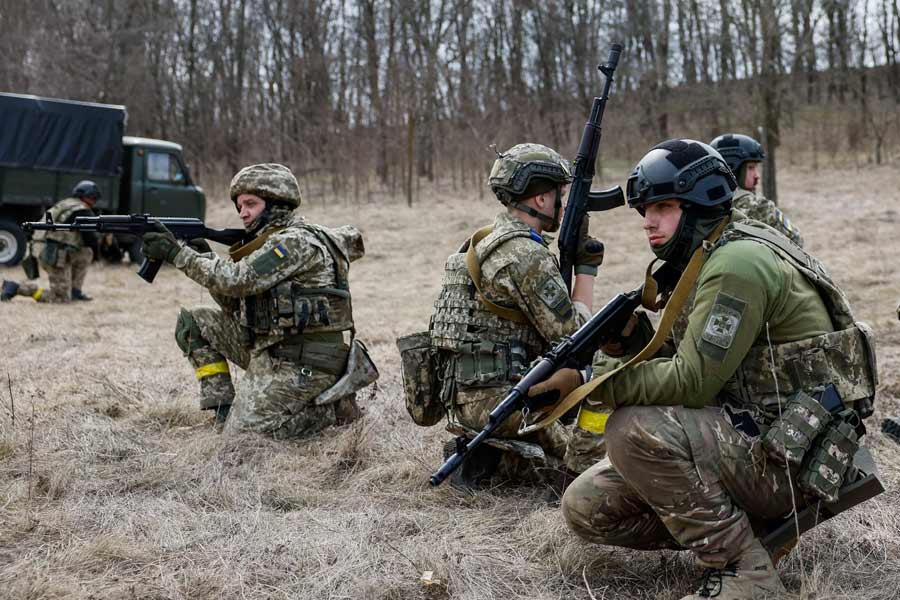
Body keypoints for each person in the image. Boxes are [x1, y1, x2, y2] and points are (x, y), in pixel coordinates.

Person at [529, 140, 877, 599]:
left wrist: (593, 386)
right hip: (757, 435)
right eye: (645, 210)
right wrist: (631, 342)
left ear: (699, 203)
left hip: (790, 462)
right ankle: (747, 532)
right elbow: (682, 355)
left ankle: (744, 569)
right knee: (587, 506)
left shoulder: (737, 264)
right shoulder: (707, 253)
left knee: (631, 430)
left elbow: (692, 382)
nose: (649, 221)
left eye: (664, 207)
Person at [140, 163, 376, 437]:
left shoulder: (295, 242)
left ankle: (325, 411)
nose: (243, 213)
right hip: (274, 349)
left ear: (277, 204)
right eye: (239, 206)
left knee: (244, 439)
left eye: (251, 204)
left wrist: (179, 255)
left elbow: (240, 279)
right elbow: (239, 303)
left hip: (308, 363)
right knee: (194, 322)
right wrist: (203, 259)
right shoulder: (269, 241)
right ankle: (223, 410)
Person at [425, 143, 603, 486]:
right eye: (560, 195)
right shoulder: (524, 254)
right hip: (508, 402)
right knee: (598, 456)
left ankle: (497, 455)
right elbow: (576, 339)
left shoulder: (482, 241)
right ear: (540, 199)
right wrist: (586, 269)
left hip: (467, 400)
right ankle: (506, 462)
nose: (564, 205)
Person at [1, 180, 100, 303]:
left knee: (85, 252)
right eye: (93, 198)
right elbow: (91, 239)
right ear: (88, 197)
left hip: (45, 247)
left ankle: (75, 291)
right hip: (53, 252)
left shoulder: (67, 204)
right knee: (61, 299)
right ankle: (17, 288)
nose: (94, 201)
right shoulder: (82, 210)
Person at [710, 133, 803, 246]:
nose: (756, 175)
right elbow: (796, 240)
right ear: (732, 169)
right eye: (751, 168)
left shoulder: (703, 204)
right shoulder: (759, 206)